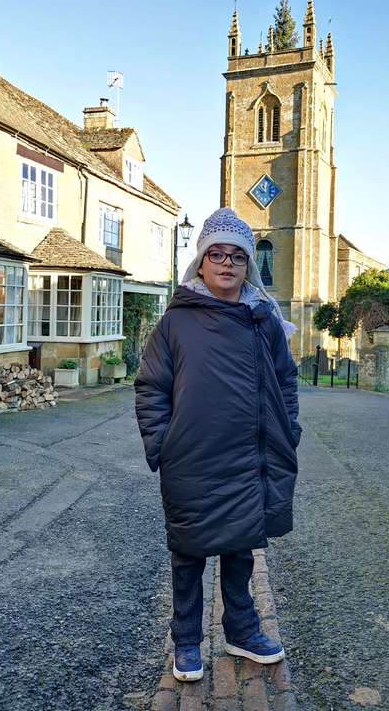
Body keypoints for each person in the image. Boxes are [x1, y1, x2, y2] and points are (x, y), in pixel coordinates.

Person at [134, 207, 301, 682]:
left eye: (237, 257)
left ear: (247, 265)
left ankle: (242, 630)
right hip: (190, 456)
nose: (227, 264)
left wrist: (288, 429)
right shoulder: (176, 323)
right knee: (188, 553)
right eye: (217, 254)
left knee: (240, 548)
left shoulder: (264, 321)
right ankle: (186, 641)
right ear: (201, 264)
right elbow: (150, 387)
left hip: (249, 454)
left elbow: (286, 382)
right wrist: (162, 444)